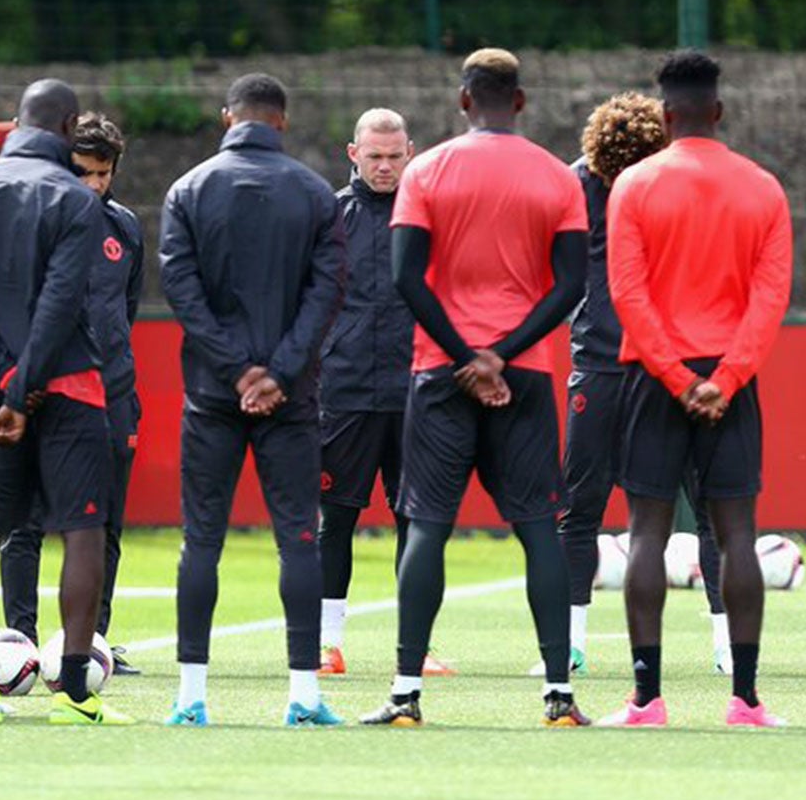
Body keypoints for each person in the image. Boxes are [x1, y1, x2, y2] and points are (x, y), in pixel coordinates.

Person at [360, 50, 586, 730]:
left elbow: (405, 277)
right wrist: (502, 356)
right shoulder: (556, 176)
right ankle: (558, 695)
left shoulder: (426, 170)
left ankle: (405, 693)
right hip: (524, 376)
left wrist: (464, 357)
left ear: (463, 102)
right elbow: (571, 286)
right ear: (519, 102)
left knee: (427, 525)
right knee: (539, 528)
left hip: (440, 372)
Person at [600, 53, 793, 728]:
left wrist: (677, 378)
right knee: (736, 533)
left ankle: (647, 699)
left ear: (663, 115)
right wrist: (726, 378)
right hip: (729, 380)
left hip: (654, 376)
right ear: (718, 111)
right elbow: (771, 298)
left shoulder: (634, 185)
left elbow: (628, 292)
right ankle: (745, 699)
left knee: (647, 531)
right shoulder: (762, 187)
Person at [0, 79, 130, 726]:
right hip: (69, 387)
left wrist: (1, 379)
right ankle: (73, 692)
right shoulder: (76, 199)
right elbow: (62, 299)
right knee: (82, 531)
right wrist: (29, 385)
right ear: (69, 125)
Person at [162, 73, 344, 728]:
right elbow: (326, 296)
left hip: (212, 394)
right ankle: (303, 694)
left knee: (201, 542)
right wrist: (279, 371)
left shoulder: (189, 189)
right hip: (290, 399)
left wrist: (237, 371)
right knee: (299, 540)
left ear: (226, 117)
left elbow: (181, 291)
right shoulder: (316, 193)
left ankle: (190, 696)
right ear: (283, 122)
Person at [0, 112, 146, 675]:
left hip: (110, 391)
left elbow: (123, 312)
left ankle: (92, 644)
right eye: (82, 171)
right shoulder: (32, 221)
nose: (92, 184)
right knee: (26, 522)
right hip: (41, 393)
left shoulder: (125, 228)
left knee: (104, 523)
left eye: (102, 173)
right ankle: (20, 641)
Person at [312, 108, 435, 679]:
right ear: (352, 153)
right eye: (374, 156)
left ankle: (418, 646)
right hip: (345, 390)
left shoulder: (432, 214)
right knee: (336, 518)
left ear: (410, 152)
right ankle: (325, 643)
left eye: (394, 156)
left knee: (419, 521)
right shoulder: (329, 216)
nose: (385, 167)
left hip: (417, 390)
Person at [557, 92, 668, 676]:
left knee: (580, 508)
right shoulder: (665, 183)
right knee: (681, 508)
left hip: (600, 358)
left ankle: (570, 644)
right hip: (661, 361)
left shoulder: (576, 182)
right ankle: (728, 650)